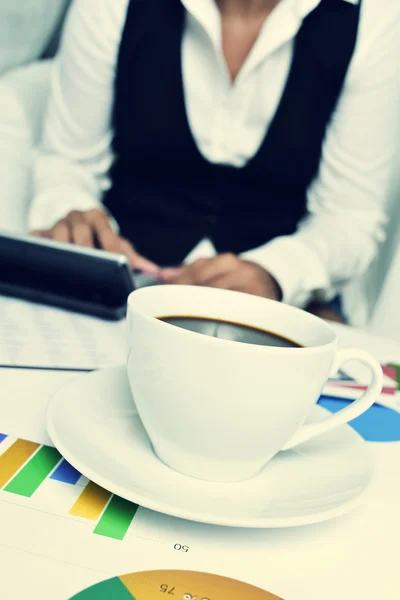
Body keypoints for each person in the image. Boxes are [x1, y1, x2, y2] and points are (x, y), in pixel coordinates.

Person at [30, 0, 400, 318]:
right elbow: (68, 162)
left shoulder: (374, 18)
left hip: (269, 317)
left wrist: (273, 273)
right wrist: (76, 216)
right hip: (120, 296)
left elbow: (349, 217)